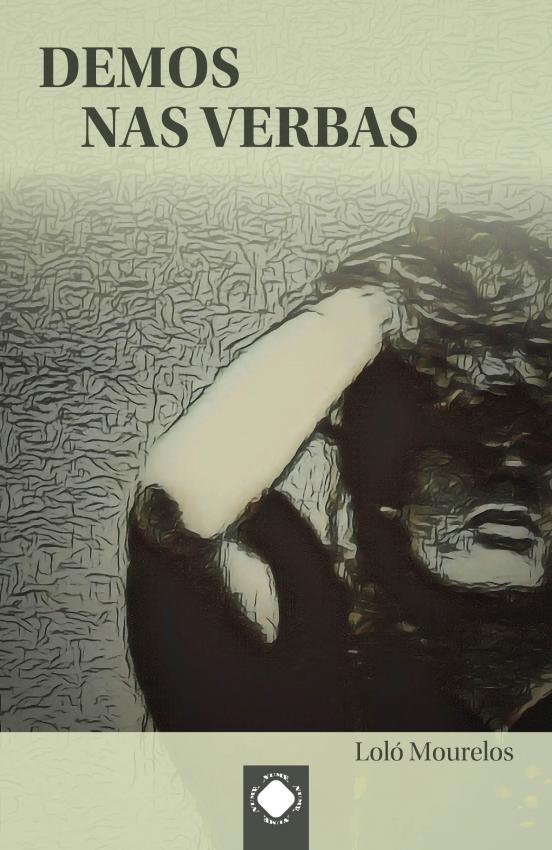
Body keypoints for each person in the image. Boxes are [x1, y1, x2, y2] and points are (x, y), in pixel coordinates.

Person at [126, 210, 552, 731]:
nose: (513, 473)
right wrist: (385, 300)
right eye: (469, 435)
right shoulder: (311, 645)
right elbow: (176, 505)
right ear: (381, 469)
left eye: (540, 446)